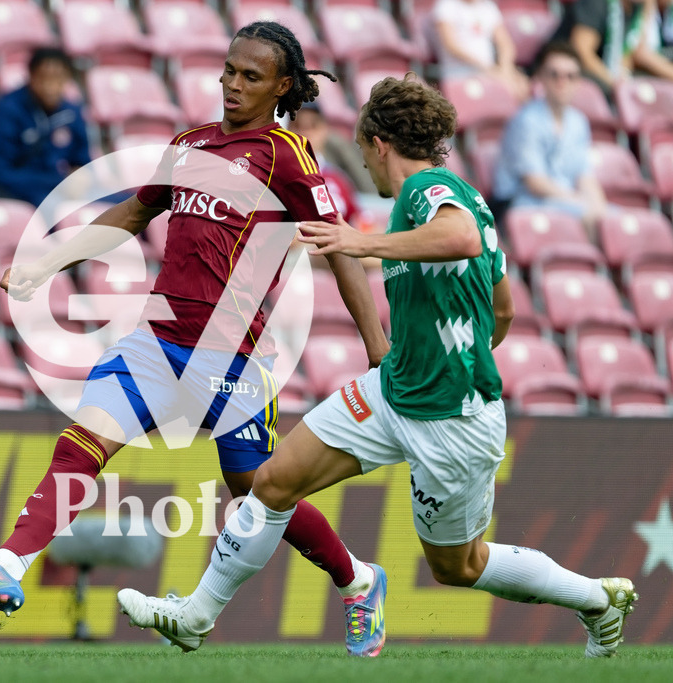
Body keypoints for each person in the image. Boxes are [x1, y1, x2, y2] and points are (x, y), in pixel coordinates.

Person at [117, 73, 638, 659]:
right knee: (273, 482)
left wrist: (361, 244)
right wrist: (440, 356)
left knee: (459, 566)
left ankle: (596, 600)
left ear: (376, 143)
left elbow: (460, 237)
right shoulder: (465, 195)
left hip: (452, 420)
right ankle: (195, 616)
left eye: (362, 149)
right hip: (395, 391)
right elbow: (505, 310)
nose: (362, 163)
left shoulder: (425, 190)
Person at [0, 22, 392, 657]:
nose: (231, 84)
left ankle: (358, 579)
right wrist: (47, 260)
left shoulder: (285, 156)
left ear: (283, 86)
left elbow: (338, 249)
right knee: (81, 443)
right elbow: (131, 214)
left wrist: (377, 349)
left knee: (254, 490)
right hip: (155, 343)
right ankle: (8, 566)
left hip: (233, 359)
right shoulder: (189, 145)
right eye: (228, 70)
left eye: (250, 76)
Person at [493, 42, 608, 238]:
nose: (562, 82)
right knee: (587, 215)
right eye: (554, 74)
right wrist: (581, 202)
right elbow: (535, 183)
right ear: (541, 78)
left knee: (612, 220)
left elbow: (584, 176)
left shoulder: (579, 121)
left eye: (570, 76)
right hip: (521, 202)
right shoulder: (526, 120)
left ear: (578, 81)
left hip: (561, 199)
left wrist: (599, 205)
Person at [0, 47, 91, 208]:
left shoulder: (71, 112)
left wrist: (81, 176)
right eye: (44, 78)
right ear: (31, 77)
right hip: (21, 191)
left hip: (61, 189)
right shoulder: (7, 110)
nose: (51, 86)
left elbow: (81, 160)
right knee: (55, 210)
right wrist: (58, 182)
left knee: (128, 205)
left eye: (58, 78)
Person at [553, 0, 673, 94]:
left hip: (605, 71)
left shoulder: (635, 8)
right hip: (561, 71)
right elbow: (581, 52)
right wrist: (614, 83)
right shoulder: (596, 3)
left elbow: (630, 54)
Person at [432, 0, 529, 99]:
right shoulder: (446, 5)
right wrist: (488, 69)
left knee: (521, 83)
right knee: (509, 88)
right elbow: (451, 46)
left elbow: (505, 44)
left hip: (487, 70)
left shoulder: (488, 6)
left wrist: (506, 69)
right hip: (459, 73)